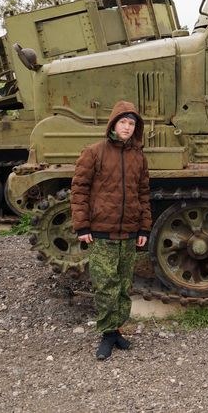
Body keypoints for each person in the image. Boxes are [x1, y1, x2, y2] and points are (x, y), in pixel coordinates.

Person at [71, 100, 151, 360]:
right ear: (113, 124)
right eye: (123, 122)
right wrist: (82, 225)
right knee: (106, 285)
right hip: (101, 232)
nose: (127, 127)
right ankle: (107, 334)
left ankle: (117, 330)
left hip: (129, 231)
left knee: (124, 285)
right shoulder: (94, 153)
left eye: (131, 123)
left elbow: (143, 194)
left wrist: (144, 228)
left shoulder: (138, 157)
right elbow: (79, 190)